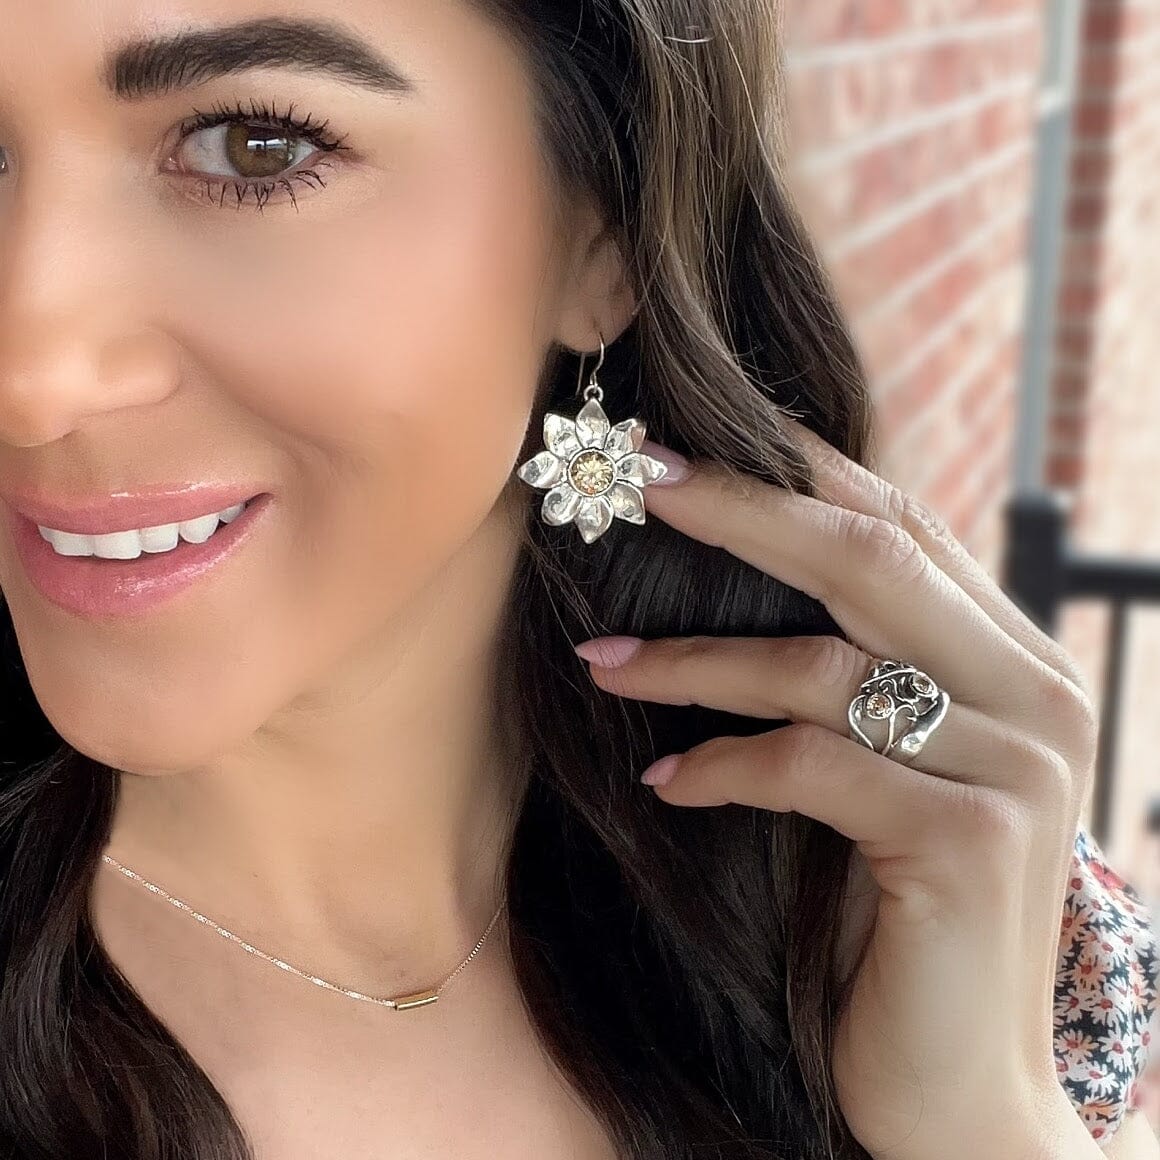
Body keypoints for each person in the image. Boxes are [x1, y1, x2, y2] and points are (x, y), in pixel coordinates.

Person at [0, 2, 1154, 1158]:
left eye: (254, 146)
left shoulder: (944, 917)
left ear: (601, 234)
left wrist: (984, 1122)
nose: (34, 381)